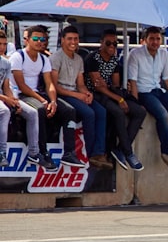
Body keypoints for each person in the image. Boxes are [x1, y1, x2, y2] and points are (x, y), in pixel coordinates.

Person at [9, 24, 86, 169]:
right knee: (40, 110)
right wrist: (43, 101)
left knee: (69, 111)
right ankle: (42, 152)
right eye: (36, 38)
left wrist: (53, 101)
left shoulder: (44, 59)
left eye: (42, 39)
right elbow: (22, 85)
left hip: (38, 94)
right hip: (21, 95)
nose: (39, 42)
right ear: (27, 40)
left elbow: (50, 84)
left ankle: (69, 153)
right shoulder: (18, 57)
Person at [127, 25, 168, 172]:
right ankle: (166, 151)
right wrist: (136, 103)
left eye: (157, 39)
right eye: (152, 39)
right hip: (144, 92)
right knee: (162, 114)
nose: (155, 42)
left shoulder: (164, 54)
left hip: (159, 90)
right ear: (145, 40)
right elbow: (133, 81)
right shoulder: (135, 54)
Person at [50, 25, 112, 169]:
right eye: (70, 39)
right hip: (62, 95)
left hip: (75, 93)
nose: (73, 42)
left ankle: (100, 151)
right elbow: (55, 87)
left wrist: (86, 93)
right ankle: (92, 154)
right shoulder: (56, 58)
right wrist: (78, 95)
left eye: (76, 39)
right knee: (89, 113)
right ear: (63, 40)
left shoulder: (79, 59)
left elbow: (81, 84)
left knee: (101, 111)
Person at [85, 29, 146, 171]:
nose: (112, 46)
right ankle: (128, 152)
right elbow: (97, 87)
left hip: (111, 93)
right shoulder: (92, 58)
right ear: (101, 43)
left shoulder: (114, 60)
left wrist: (117, 94)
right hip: (96, 96)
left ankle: (120, 149)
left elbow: (115, 84)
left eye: (115, 43)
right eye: (108, 43)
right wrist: (118, 98)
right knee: (118, 112)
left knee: (139, 112)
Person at [1, 37, 50, 170]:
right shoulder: (17, 58)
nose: (2, 47)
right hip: (2, 100)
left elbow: (6, 87)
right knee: (4, 111)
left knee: (33, 113)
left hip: (6, 97)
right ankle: (2, 152)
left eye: (4, 44)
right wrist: (7, 99)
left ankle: (34, 153)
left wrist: (14, 100)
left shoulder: (6, 63)